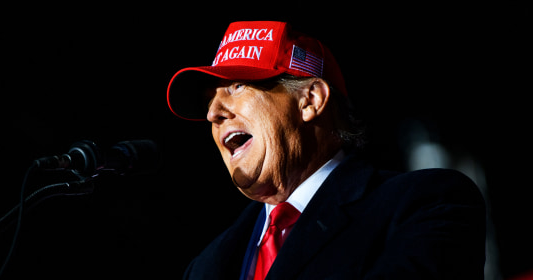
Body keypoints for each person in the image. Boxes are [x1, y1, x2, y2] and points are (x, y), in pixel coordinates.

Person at [166, 21, 486, 280]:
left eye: (236, 86)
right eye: (210, 98)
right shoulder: (205, 266)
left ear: (311, 100)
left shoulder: (424, 203)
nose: (213, 112)